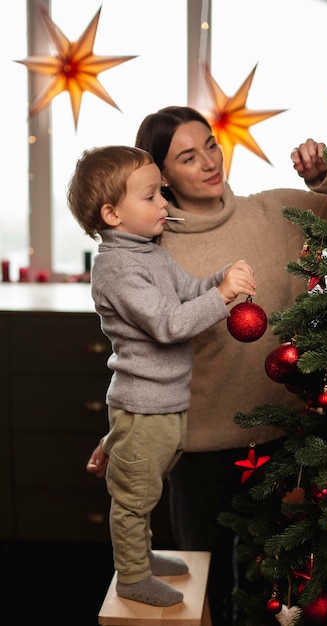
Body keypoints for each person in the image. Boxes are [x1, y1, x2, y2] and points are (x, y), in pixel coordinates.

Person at [87, 109, 327, 624]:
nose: (209, 162)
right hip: (196, 448)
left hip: (284, 437)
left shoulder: (274, 213)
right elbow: (142, 350)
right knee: (198, 588)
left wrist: (323, 175)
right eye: (188, 156)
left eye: (211, 144)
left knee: (272, 591)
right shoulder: (148, 244)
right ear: (158, 178)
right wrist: (119, 434)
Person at [67, 144, 257, 608]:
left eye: (161, 195)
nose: (163, 205)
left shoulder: (150, 253)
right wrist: (224, 297)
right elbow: (170, 324)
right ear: (112, 214)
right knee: (134, 496)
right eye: (150, 197)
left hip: (167, 403)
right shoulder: (116, 267)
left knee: (148, 482)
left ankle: (143, 556)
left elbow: (189, 291)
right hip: (144, 404)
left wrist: (219, 278)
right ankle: (132, 575)